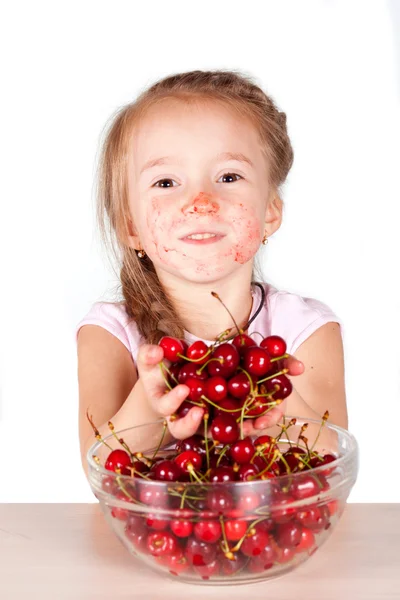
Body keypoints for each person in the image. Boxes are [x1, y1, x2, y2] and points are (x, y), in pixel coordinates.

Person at [76, 70, 348, 476]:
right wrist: (150, 408)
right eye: (166, 182)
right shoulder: (111, 334)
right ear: (131, 227)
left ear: (270, 211)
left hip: (268, 537)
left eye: (229, 177)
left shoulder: (306, 330)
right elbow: (100, 466)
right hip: (150, 539)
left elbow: (331, 462)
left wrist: (274, 397)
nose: (200, 202)